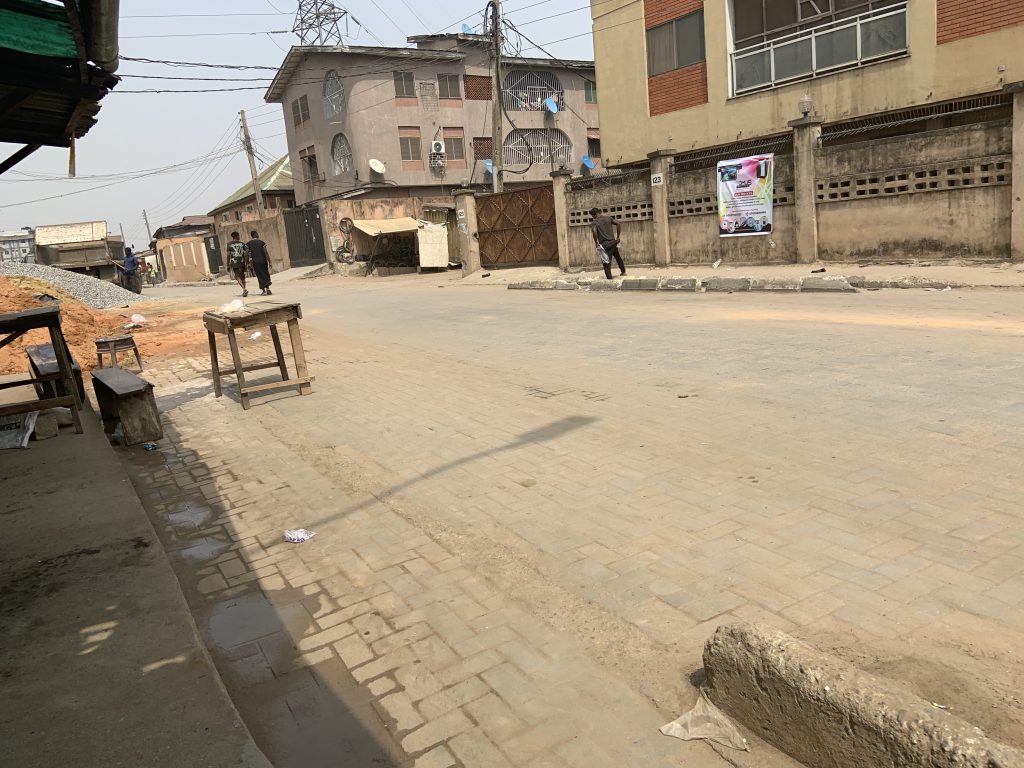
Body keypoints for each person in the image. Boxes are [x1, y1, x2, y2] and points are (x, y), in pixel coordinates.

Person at [589, 207, 626, 279]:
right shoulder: (608, 218)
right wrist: (618, 237)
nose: (592, 217)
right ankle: (623, 271)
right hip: (613, 242)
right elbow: (618, 223)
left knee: (606, 262)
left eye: (592, 216)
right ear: (600, 212)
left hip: (605, 245)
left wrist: (596, 242)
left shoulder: (595, 222)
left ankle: (609, 278)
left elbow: (594, 231)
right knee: (618, 257)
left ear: (594, 215)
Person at [246, 230, 273, 296]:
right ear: (256, 234)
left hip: (256, 262)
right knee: (265, 274)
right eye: (257, 234)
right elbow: (266, 253)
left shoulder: (248, 244)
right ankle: (268, 289)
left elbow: (246, 254)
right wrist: (270, 262)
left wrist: (248, 263)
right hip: (263, 261)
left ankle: (263, 291)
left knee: (260, 275)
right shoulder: (262, 243)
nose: (258, 235)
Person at [227, 231, 249, 297]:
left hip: (234, 262)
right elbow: (247, 250)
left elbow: (228, 255)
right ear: (236, 236)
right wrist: (246, 260)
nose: (239, 237)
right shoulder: (242, 244)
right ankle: (244, 289)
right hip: (242, 262)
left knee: (237, 277)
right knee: (243, 277)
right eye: (238, 236)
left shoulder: (229, 244)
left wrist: (227, 264)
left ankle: (244, 289)